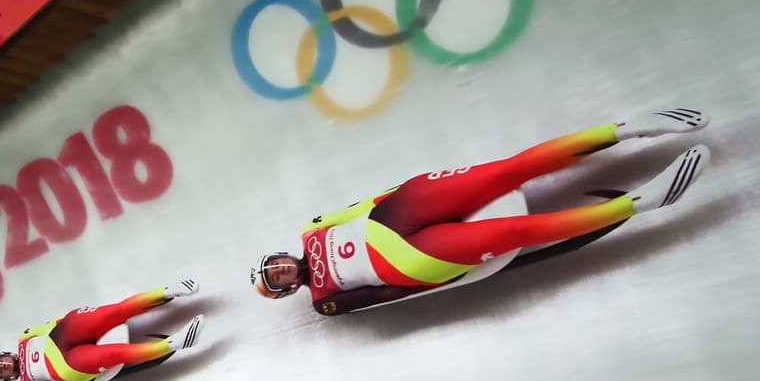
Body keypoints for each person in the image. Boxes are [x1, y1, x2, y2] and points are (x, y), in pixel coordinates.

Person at [251, 108, 710, 315]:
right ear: (287, 290)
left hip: (398, 209)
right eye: (278, 278)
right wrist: (450, 280)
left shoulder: (312, 230)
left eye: (276, 263)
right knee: (515, 230)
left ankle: (628, 129)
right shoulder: (323, 301)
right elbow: (388, 298)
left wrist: (415, 185)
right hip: (411, 262)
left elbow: (366, 203)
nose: (284, 268)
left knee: (506, 171)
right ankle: (642, 202)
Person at [0, 280, 204, 381]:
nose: (4, 366)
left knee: (114, 311)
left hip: (66, 331)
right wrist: (85, 380)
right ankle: (176, 343)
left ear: (5, 354)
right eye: (1, 371)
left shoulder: (25, 337)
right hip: (67, 366)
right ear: (8, 379)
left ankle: (168, 291)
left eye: (1, 361)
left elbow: (53, 323)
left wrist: (75, 317)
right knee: (115, 353)